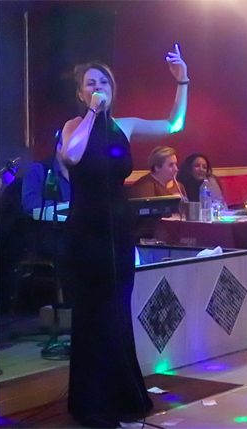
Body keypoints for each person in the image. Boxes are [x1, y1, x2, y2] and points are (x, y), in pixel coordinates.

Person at [58, 44, 188, 427]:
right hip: (86, 230)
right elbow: (72, 156)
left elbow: (174, 125)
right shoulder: (72, 126)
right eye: (90, 83)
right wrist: (92, 113)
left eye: (103, 82)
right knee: (92, 313)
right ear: (80, 92)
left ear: (112, 88)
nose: (97, 87)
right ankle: (92, 402)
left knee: (117, 311)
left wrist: (183, 80)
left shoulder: (125, 125)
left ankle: (122, 396)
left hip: (117, 228)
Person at [21, 137, 71, 216]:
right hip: (46, 223)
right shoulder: (38, 170)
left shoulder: (81, 172)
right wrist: (60, 206)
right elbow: (29, 202)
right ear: (59, 147)